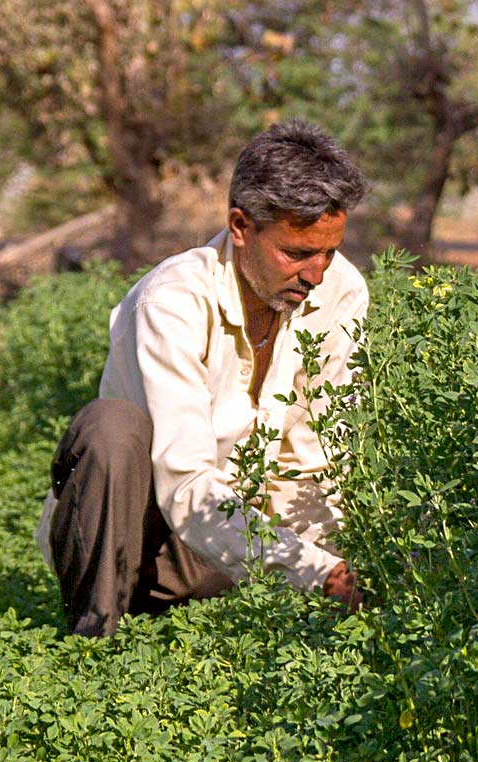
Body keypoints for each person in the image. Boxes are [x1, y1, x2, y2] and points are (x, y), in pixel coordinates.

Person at [35, 120, 371, 637]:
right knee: (111, 428)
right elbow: (187, 485)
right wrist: (317, 573)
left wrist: (340, 569)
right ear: (241, 228)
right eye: (297, 253)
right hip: (144, 541)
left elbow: (318, 461)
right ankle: (92, 638)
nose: (317, 273)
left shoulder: (341, 291)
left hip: (233, 543)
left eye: (328, 251)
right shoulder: (172, 301)